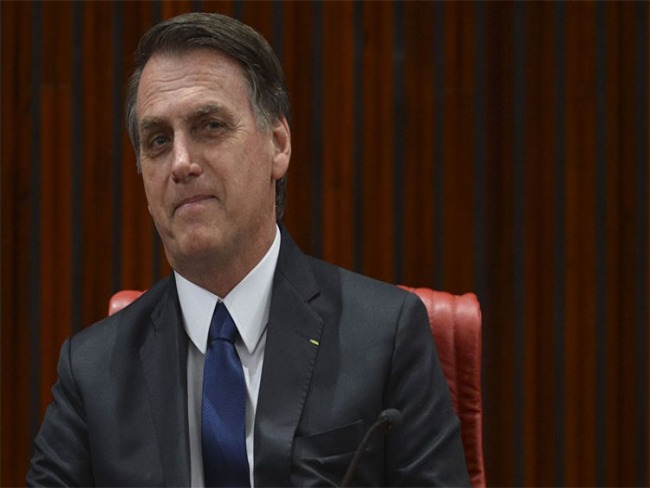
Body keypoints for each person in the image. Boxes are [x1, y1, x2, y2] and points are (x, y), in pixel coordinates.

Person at [27, 12, 469, 487]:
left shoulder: (386, 336)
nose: (180, 163)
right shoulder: (91, 372)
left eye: (210, 126)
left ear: (278, 145)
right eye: (158, 141)